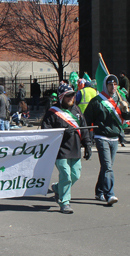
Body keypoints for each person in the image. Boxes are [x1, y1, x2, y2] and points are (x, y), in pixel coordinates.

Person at [41, 84, 92, 213]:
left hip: (75, 148)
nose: (71, 97)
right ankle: (64, 202)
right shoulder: (53, 112)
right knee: (66, 175)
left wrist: (87, 145)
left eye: (72, 95)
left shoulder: (77, 111)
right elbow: (46, 131)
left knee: (75, 175)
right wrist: (63, 132)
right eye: (68, 95)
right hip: (59, 150)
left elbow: (84, 128)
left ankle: (58, 188)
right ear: (61, 97)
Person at [84, 74, 130, 206]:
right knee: (108, 167)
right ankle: (109, 194)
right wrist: (86, 140)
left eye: (115, 84)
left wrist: (126, 109)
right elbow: (86, 120)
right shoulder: (97, 101)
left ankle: (99, 191)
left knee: (107, 167)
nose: (113, 87)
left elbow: (128, 116)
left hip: (114, 137)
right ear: (106, 85)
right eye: (110, 84)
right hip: (101, 137)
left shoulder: (120, 99)